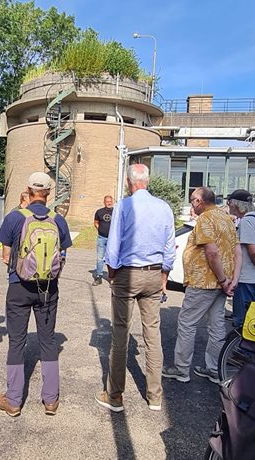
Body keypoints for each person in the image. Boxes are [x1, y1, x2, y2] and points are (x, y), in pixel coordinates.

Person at [94, 164, 175, 413]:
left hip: (128, 273)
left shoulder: (124, 206)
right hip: (153, 272)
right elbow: (170, 246)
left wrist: (112, 274)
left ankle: (115, 395)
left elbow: (113, 245)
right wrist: (164, 276)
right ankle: (155, 396)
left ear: (130, 182)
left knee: (120, 333)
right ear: (147, 181)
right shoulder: (164, 208)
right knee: (153, 334)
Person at [0, 172, 72, 417]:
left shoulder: (15, 218)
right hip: (48, 288)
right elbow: (62, 256)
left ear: (28, 190)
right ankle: (50, 399)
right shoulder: (58, 220)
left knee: (17, 341)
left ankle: (14, 400)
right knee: (48, 341)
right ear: (49, 192)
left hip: (18, 286)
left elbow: (6, 256)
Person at [162, 187, 241, 385]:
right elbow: (238, 252)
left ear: (199, 201)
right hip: (221, 283)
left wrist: (223, 280)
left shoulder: (206, 219)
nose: (191, 205)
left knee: (187, 323)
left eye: (192, 201)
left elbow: (212, 252)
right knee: (216, 326)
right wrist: (232, 281)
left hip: (204, 282)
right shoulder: (226, 219)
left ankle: (181, 369)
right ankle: (214, 369)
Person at [226, 189, 255, 329]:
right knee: (250, 316)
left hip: (246, 276)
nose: (228, 206)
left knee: (241, 320)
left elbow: (252, 251)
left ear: (237, 205)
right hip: (253, 278)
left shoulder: (247, 222)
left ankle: (240, 347)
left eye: (230, 203)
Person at [92, 195, 114, 286]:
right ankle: (99, 277)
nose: (108, 203)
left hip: (113, 239)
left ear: (112, 202)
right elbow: (96, 222)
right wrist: (100, 229)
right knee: (100, 259)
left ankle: (112, 278)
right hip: (101, 238)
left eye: (110, 201)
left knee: (112, 259)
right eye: (107, 201)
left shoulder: (116, 211)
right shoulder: (99, 212)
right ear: (104, 202)